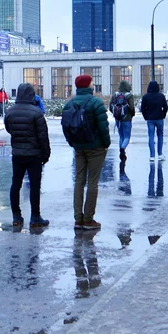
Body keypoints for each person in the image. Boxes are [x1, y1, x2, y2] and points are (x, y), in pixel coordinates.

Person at [62, 75, 110, 231]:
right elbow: (103, 126)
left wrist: (73, 143)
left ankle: (78, 219)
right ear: (88, 85)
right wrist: (106, 144)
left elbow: (66, 127)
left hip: (79, 147)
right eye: (92, 82)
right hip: (95, 147)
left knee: (79, 181)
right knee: (93, 182)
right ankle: (88, 219)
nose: (93, 84)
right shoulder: (96, 102)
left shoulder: (69, 104)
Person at [4, 83, 51, 228]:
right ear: (32, 94)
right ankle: (35, 217)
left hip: (17, 153)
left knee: (16, 185)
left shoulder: (10, 112)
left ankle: (16, 216)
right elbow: (43, 137)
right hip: (34, 154)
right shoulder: (37, 113)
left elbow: (9, 129)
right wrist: (46, 155)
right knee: (34, 186)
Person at [140, 81, 168, 160]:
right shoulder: (161, 96)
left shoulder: (146, 97)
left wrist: (146, 117)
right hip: (159, 118)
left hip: (150, 119)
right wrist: (163, 115)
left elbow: (142, 109)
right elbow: (165, 107)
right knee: (160, 136)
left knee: (151, 137)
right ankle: (160, 154)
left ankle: (152, 155)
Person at [110, 80, 136, 160]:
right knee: (127, 137)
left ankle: (121, 151)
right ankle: (123, 149)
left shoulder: (115, 95)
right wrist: (131, 115)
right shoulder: (129, 96)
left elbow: (110, 107)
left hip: (118, 119)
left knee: (121, 136)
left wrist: (116, 114)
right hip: (127, 119)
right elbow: (131, 108)